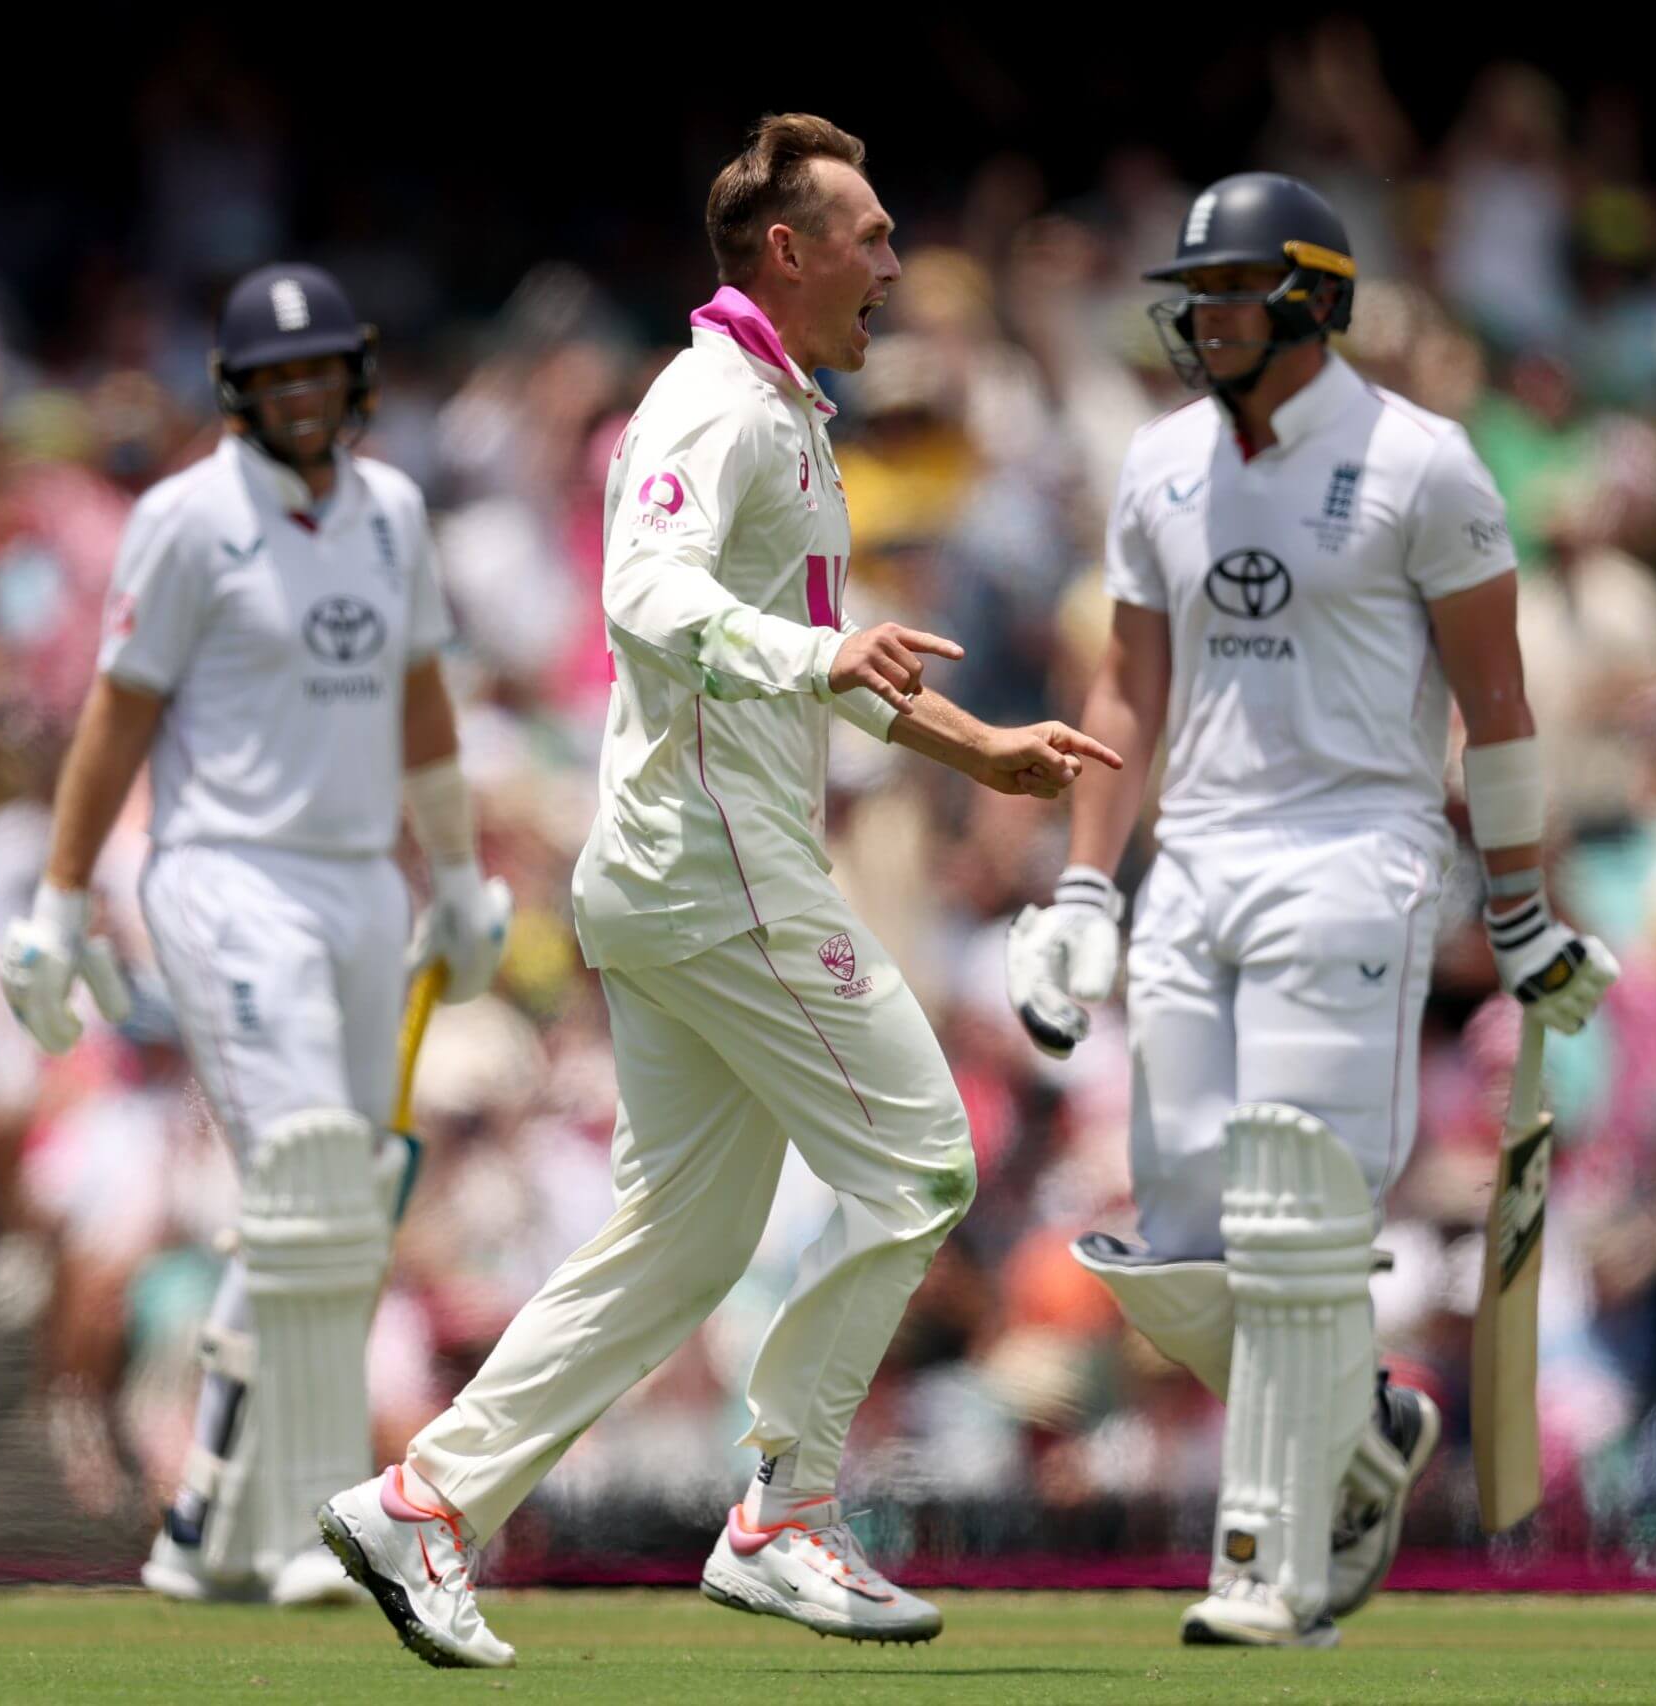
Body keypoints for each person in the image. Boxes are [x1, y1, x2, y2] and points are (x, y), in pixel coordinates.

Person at [317, 113, 1118, 1671]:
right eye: (873, 236)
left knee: (682, 1241)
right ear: (787, 252)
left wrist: (975, 748)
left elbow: (818, 649)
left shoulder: (791, 413)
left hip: (694, 868)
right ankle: (784, 1513)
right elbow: (646, 597)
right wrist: (824, 657)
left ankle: (428, 1500)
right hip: (712, 865)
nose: (896, 260)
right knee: (925, 1162)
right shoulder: (708, 401)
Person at [1005, 172, 1619, 1647]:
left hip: (1360, 844)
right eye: (1194, 295)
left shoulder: (1424, 464)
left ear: (1311, 301)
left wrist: (1523, 913)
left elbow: (1500, 704)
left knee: (1294, 1218)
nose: (1201, 318)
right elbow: (1126, 687)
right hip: (1195, 858)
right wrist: (1088, 880)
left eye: (1230, 293)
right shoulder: (1157, 463)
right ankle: (1366, 1421)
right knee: (1172, 1238)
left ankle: (1266, 1565)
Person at [0, 263, 508, 1607]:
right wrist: (57, 899)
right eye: (273, 375)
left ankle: (206, 1524)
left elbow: (420, 699)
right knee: (307, 1171)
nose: (298, 393)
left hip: (358, 883)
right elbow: (115, 714)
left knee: (338, 1208)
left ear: (355, 377)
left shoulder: (394, 510)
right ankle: (307, 1526)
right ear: (236, 391)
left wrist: (454, 874)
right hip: (223, 875)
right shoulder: (184, 520)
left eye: (317, 370)